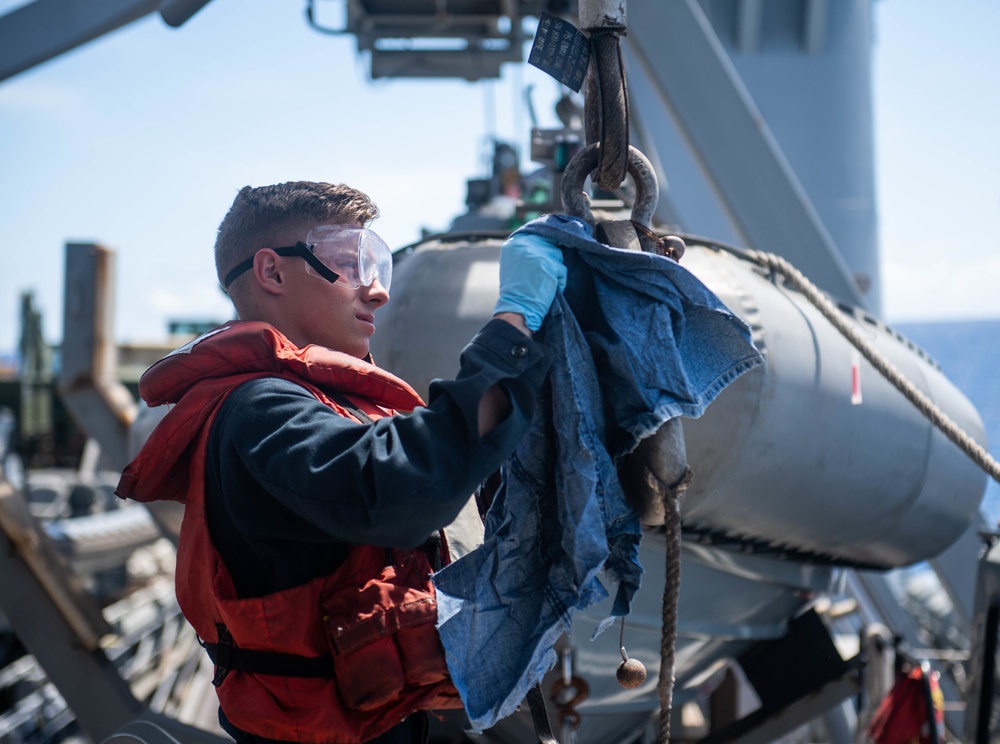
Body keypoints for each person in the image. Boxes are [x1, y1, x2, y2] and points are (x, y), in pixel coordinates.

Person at [116, 181, 567, 744]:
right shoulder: (258, 409)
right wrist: (513, 328)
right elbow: (401, 490)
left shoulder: (334, 405)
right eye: (348, 262)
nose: (376, 290)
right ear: (272, 273)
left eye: (376, 263)